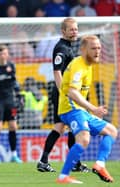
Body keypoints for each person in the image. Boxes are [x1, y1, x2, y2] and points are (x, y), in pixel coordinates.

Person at [56, 35, 118, 184]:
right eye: (93, 48)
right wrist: (93, 108)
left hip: (80, 110)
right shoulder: (78, 65)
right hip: (70, 108)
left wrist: (90, 111)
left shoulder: (88, 65)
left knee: (111, 131)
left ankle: (100, 165)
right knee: (84, 139)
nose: (97, 51)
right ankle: (63, 176)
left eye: (99, 48)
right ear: (83, 49)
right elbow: (72, 92)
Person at [37, 17, 90, 172]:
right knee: (70, 127)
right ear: (64, 31)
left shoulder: (70, 46)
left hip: (68, 94)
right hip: (64, 94)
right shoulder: (61, 48)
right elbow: (57, 72)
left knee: (64, 128)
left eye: (76, 29)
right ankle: (69, 163)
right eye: (71, 29)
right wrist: (64, 93)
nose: (75, 32)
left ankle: (45, 161)